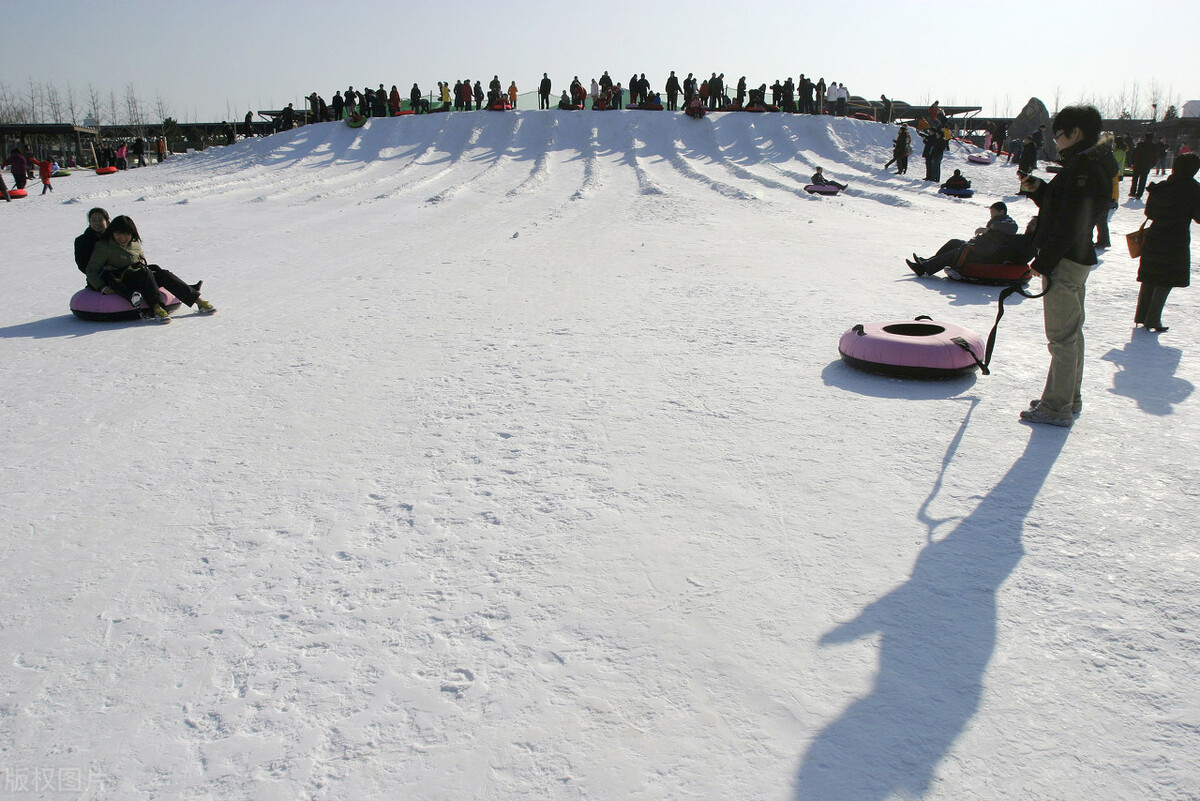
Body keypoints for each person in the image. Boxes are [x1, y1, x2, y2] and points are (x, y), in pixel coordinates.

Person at [1017, 105, 1118, 426]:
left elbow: (1072, 221)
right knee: (1072, 334)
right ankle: (1067, 398)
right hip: (1075, 257)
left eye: (1058, 134)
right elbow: (1068, 209)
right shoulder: (1088, 164)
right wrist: (1041, 190)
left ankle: (1057, 406)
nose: (1056, 141)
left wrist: (1044, 261)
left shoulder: (1083, 168)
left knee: (1062, 338)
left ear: (1076, 133)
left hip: (1065, 258)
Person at [84, 215, 217, 322]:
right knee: (145, 272)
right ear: (112, 233)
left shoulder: (135, 243)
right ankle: (157, 308)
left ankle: (199, 301)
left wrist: (142, 260)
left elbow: (140, 257)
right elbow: (92, 270)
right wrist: (102, 287)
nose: (122, 238)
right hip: (123, 279)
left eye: (126, 234)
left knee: (163, 274)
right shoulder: (104, 246)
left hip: (141, 275)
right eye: (118, 234)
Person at [1133, 152, 1200, 332]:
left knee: (1149, 276)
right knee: (1165, 279)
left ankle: (1141, 316)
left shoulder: (1162, 186)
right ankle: (1153, 319)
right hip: (1176, 240)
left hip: (1155, 237)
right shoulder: (1194, 189)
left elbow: (1150, 213)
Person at [907, 202, 1032, 276]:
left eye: (994, 212)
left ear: (1002, 211)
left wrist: (988, 229)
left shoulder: (1007, 220)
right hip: (981, 246)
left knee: (957, 251)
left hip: (986, 252)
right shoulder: (998, 220)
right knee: (954, 242)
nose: (992, 215)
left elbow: (1012, 228)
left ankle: (923, 269)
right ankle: (927, 261)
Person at [75, 207, 110, 272]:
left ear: (107, 221)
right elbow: (83, 265)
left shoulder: (117, 237)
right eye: (93, 220)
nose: (97, 223)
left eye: (100, 220)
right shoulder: (82, 241)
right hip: (97, 278)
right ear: (89, 222)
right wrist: (103, 269)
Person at [1130, 133, 1157, 199]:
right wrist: (1152, 164)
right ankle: (1139, 194)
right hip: (1147, 165)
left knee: (1135, 179)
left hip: (1138, 164)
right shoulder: (1154, 146)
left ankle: (1133, 192)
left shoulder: (1140, 145)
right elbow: (1155, 157)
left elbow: (1135, 154)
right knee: (1143, 180)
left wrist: (1132, 162)